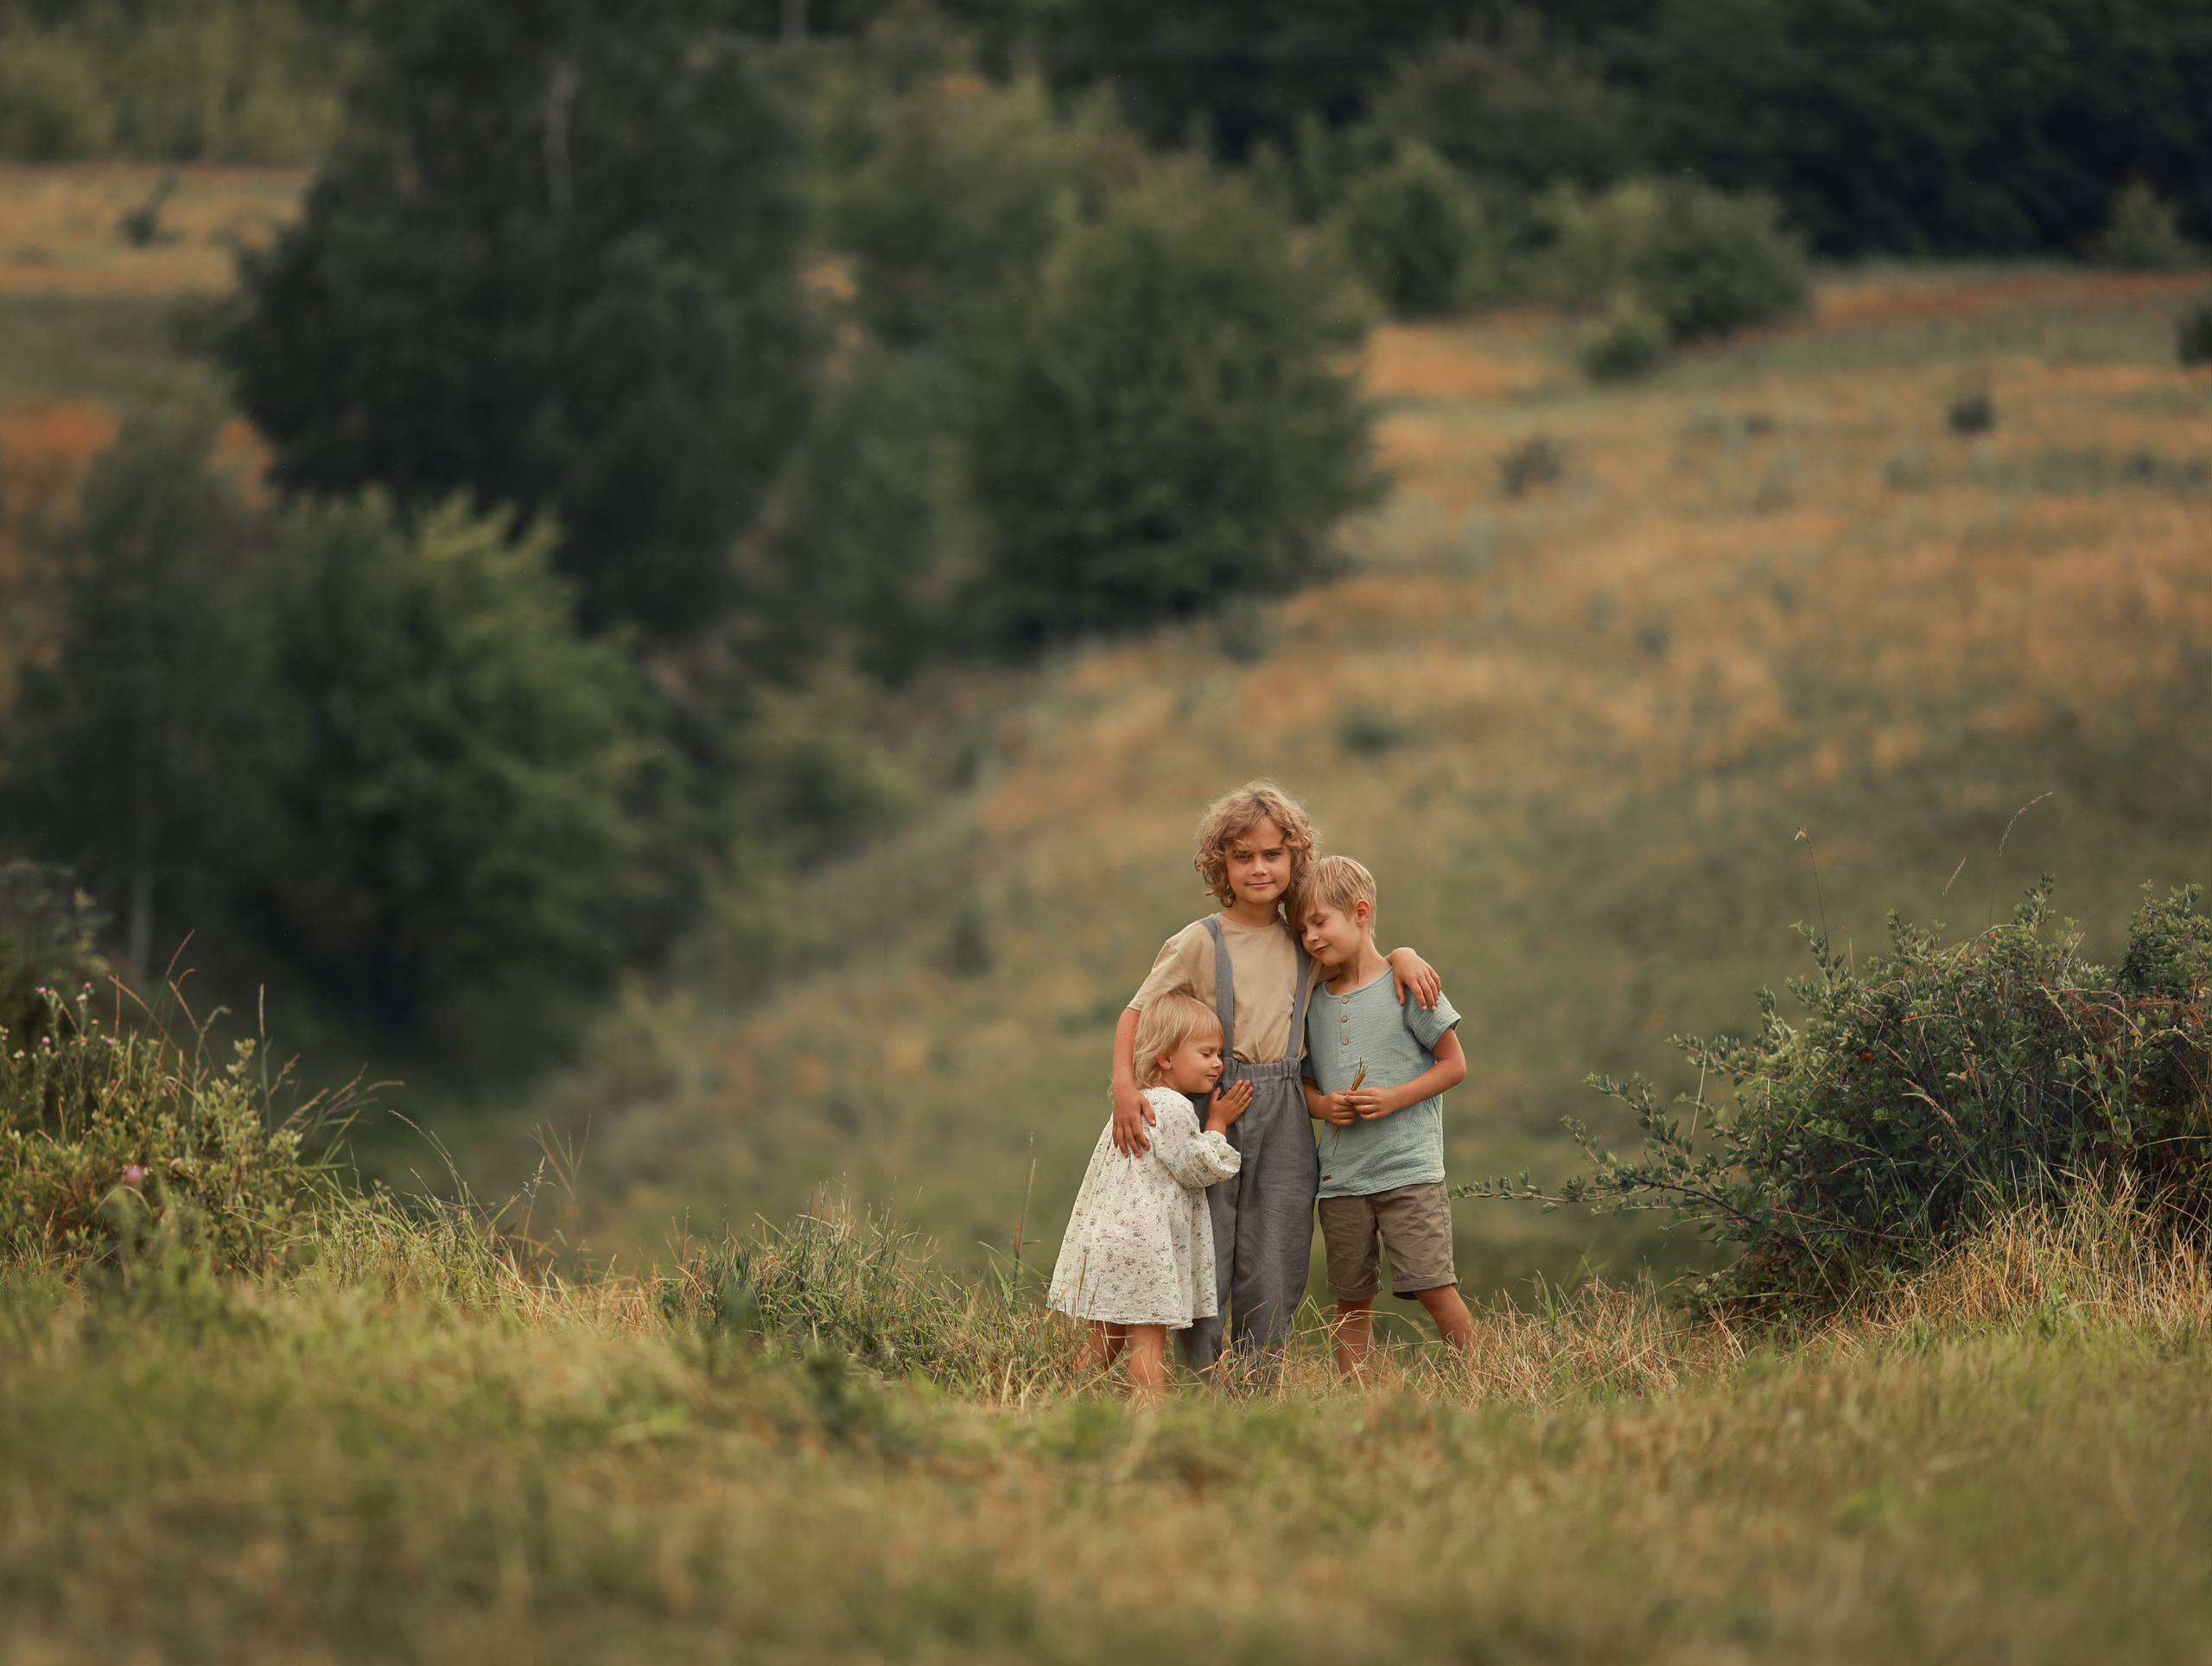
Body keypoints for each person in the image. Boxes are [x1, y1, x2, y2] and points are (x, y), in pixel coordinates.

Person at [1110, 780, 1440, 1373]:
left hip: (1287, 1106)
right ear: (1220, 865)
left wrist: (1405, 954)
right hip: (1214, 1105)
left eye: (1271, 855)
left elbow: (1361, 953)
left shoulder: (1305, 942)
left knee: (1276, 1253)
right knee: (1205, 1251)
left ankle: (1259, 1384)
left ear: (1295, 859)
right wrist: (1125, 1088)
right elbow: (1135, 1012)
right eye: (1242, 856)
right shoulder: (1198, 940)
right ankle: (1202, 1383)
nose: (1258, 868)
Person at [1294, 855, 1478, 1376]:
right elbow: (1304, 1086)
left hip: (1408, 1173)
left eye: (1319, 922)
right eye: (1302, 928)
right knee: (1350, 1305)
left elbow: (1455, 1065)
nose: (1309, 937)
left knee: (1434, 1289)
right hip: (1341, 1181)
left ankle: (1485, 1384)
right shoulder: (1311, 1003)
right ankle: (1360, 1403)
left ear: (1360, 912)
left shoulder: (1409, 986)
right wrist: (1324, 1106)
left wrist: (1395, 1098)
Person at [1048, 993, 1254, 1401]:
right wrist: (1217, 1122)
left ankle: (1056, 1402)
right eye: (1207, 1053)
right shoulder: (1172, 1108)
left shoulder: (1133, 1105)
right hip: (1145, 1249)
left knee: (1104, 1341)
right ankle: (1150, 1421)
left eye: (1219, 1054)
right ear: (1166, 1058)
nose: (1218, 1063)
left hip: (1111, 1240)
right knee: (1149, 1342)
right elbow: (1197, 1168)